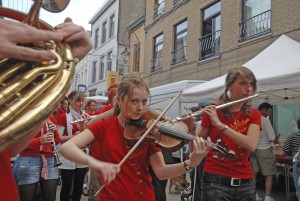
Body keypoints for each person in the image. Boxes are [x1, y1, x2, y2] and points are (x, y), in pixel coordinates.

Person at [59, 72, 211, 201]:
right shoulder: (104, 126)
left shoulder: (148, 130)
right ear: (119, 100)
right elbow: (66, 148)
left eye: (144, 102)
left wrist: (190, 163)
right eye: (134, 101)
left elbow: (161, 171)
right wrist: (95, 164)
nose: (141, 108)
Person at [0, 17, 92, 201]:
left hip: (46, 160)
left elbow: (10, 145)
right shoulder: (60, 116)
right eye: (78, 101)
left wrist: (66, 64)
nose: (81, 104)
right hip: (30, 160)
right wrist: (40, 139)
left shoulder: (49, 117)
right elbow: (22, 147)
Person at [190, 67, 261, 201]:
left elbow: (251, 144)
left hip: (245, 182)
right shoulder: (213, 112)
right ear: (229, 86)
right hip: (215, 181)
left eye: (251, 84)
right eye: (243, 83)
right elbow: (194, 148)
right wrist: (190, 128)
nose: (249, 89)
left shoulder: (254, 114)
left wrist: (220, 125)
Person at [13, 115, 61, 201]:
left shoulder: (50, 116)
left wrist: (55, 131)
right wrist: (39, 141)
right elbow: (17, 143)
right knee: (27, 198)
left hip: (49, 160)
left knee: (50, 198)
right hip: (28, 159)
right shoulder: (25, 115)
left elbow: (57, 141)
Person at [57, 90, 89, 201]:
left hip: (81, 152)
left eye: (83, 101)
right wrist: (72, 137)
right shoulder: (63, 117)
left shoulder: (85, 116)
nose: (81, 103)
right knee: (67, 186)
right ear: (70, 101)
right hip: (67, 155)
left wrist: (82, 125)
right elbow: (59, 139)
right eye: (78, 101)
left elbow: (87, 138)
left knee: (79, 185)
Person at [250, 102, 277, 201]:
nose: (268, 114)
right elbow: (271, 137)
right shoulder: (265, 120)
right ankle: (268, 197)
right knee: (268, 174)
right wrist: (275, 137)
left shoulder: (251, 118)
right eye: (268, 111)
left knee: (254, 173)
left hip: (253, 148)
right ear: (264, 110)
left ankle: (254, 195)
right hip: (265, 149)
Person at [282, 118, 300, 201]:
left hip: (297, 163)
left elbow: (284, 149)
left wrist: (291, 155)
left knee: (299, 190)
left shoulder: (292, 136)